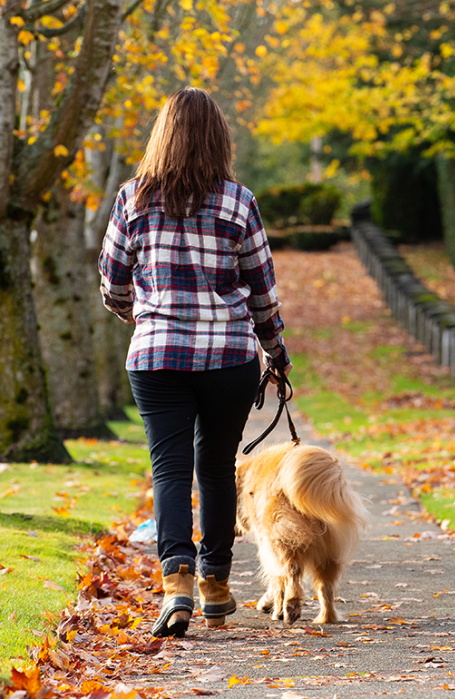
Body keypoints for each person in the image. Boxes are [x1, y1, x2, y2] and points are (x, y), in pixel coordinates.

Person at [98, 87, 292, 638]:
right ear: (218, 139)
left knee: (170, 467)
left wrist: (143, 316)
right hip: (228, 356)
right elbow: (262, 290)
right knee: (216, 467)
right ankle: (216, 584)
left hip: (157, 357)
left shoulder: (132, 198)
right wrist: (276, 352)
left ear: (163, 135)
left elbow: (111, 282)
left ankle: (176, 581)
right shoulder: (239, 201)